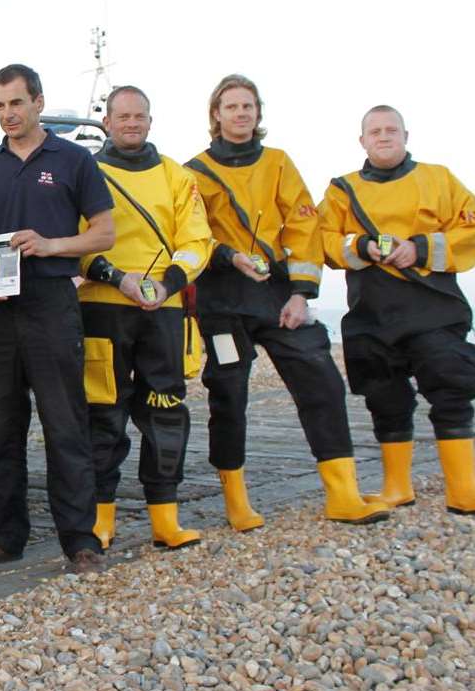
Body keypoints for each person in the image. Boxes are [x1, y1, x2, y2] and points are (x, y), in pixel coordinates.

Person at [185, 74, 389, 530]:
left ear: (258, 113)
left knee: (321, 378)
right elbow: (192, 232)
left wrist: (301, 293)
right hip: (221, 298)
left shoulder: (278, 163)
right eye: (232, 106)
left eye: (249, 106)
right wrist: (228, 256)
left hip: (276, 294)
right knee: (228, 394)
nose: (241, 113)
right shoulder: (192, 172)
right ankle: (236, 503)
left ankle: (343, 494)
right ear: (216, 115)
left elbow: (303, 228)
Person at [0, 65, 115, 574]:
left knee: (65, 425)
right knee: (3, 429)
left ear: (39, 102)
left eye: (16, 104)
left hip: (51, 301)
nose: (7, 115)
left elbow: (104, 233)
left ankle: (80, 541)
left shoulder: (73, 160)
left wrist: (50, 245)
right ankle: (6, 536)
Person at [319, 105, 475, 514]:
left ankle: (464, 490)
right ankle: (396, 486)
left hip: (432, 307)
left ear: (406, 136)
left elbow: (472, 226)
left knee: (452, 389)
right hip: (370, 309)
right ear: (363, 141)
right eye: (375, 131)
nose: (384, 136)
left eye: (391, 130)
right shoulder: (342, 189)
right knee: (384, 398)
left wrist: (419, 248)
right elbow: (321, 239)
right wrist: (360, 246)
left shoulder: (438, 178)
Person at [77, 87, 211, 551]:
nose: (131, 123)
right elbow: (74, 243)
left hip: (163, 310)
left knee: (166, 415)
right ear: (107, 122)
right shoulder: (86, 170)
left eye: (139, 116)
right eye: (122, 117)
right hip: (101, 308)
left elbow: (197, 239)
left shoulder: (178, 177)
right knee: (102, 417)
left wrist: (168, 283)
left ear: (150, 122)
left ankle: (165, 519)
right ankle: (100, 519)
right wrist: (116, 277)